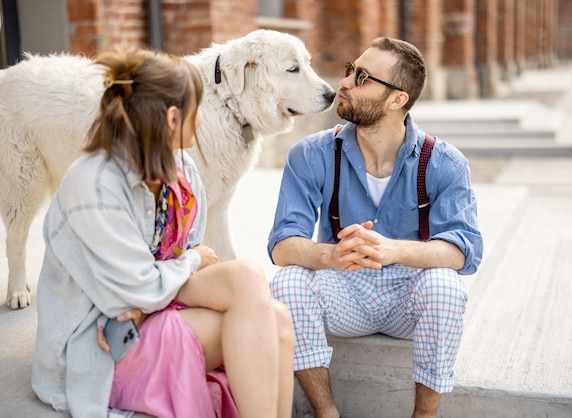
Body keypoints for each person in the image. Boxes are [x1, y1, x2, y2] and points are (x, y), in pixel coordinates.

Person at [32, 47, 295, 418]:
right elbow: (140, 286)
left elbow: (170, 268)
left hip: (150, 307)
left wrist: (169, 279)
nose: (202, 120)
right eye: (197, 109)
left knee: (278, 316)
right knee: (251, 289)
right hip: (104, 340)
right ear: (173, 117)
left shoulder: (180, 168)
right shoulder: (93, 183)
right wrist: (188, 264)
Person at [267, 37, 483, 418]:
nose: (345, 82)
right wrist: (330, 254)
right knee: (287, 283)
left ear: (397, 100)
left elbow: (463, 251)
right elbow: (283, 245)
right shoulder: (311, 153)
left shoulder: (445, 163)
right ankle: (326, 411)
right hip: (344, 292)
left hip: (408, 298)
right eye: (351, 69)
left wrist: (392, 250)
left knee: (445, 286)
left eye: (362, 77)